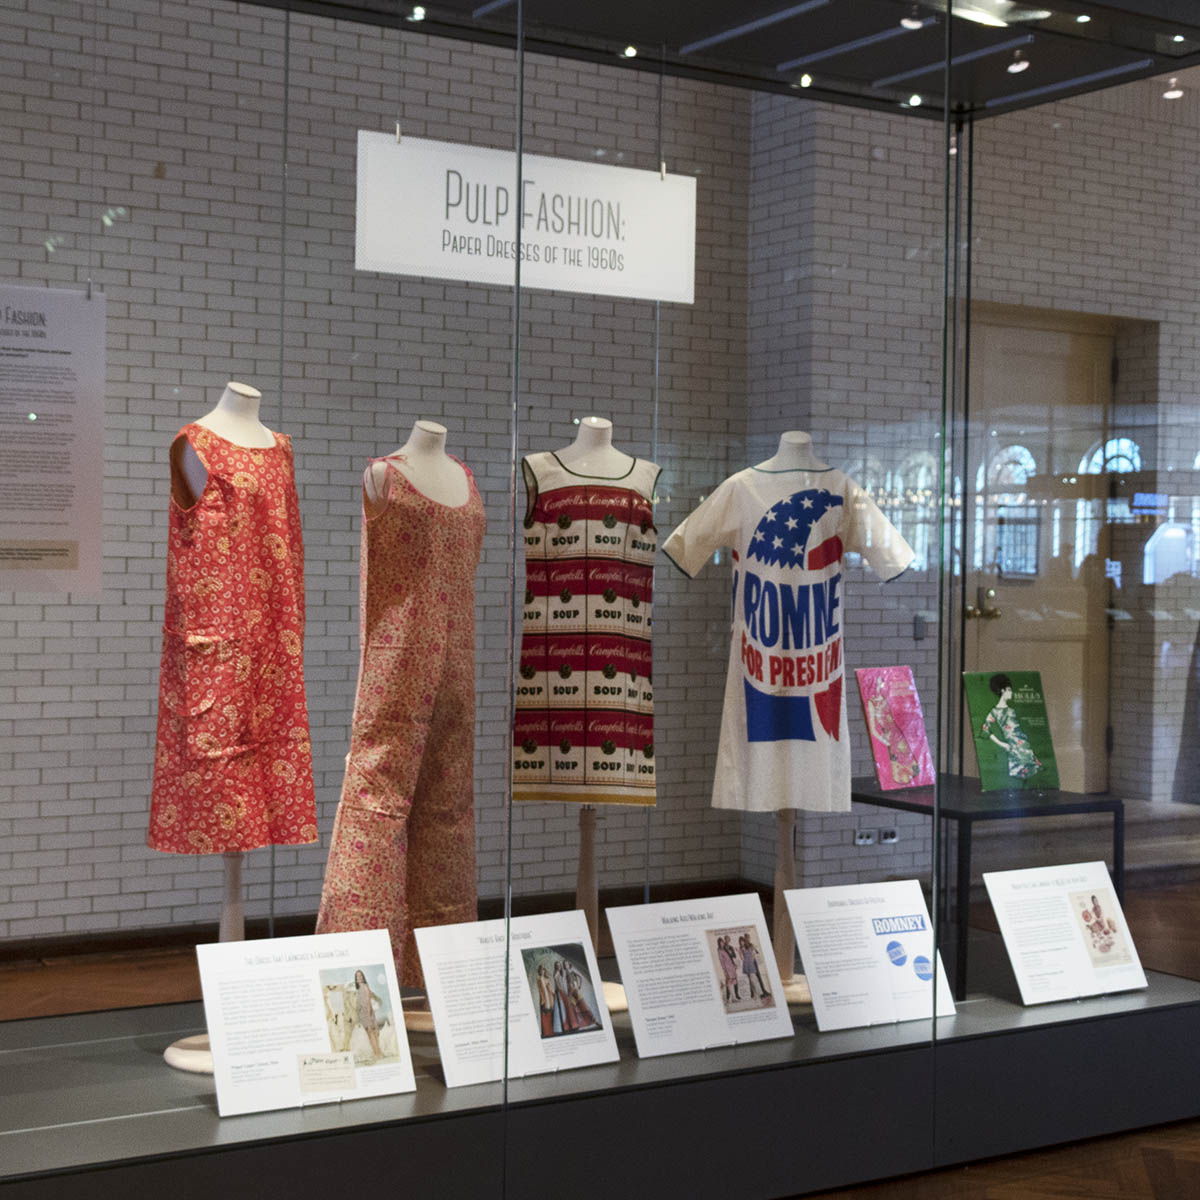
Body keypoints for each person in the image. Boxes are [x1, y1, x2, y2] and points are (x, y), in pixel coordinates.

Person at [981, 673, 1042, 780]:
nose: (1011, 693)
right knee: (1020, 776)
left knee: (1032, 775)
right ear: (1003, 690)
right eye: (1009, 690)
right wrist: (1003, 745)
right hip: (1013, 747)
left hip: (1024, 745)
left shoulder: (1012, 710)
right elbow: (985, 730)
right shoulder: (994, 712)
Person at [354, 969, 384, 1060]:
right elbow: (359, 1003)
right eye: (357, 976)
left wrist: (368, 1013)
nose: (359, 977)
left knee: (373, 1033)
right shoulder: (358, 989)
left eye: (360, 976)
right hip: (362, 1014)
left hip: (367, 1013)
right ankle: (376, 1053)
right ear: (355, 978)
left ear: (363, 977)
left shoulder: (365, 986)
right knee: (369, 1034)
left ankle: (378, 1053)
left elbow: (368, 1000)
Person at [740, 934, 770, 1001]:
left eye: (749, 938)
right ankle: (753, 993)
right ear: (745, 939)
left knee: (758, 976)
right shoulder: (743, 946)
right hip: (747, 963)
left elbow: (756, 953)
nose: (748, 939)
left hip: (754, 962)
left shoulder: (751, 944)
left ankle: (763, 990)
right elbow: (742, 956)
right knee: (750, 979)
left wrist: (755, 949)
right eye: (747, 938)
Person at [718, 935, 740, 1002]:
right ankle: (731, 998)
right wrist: (724, 970)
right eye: (721, 942)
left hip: (731, 966)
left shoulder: (726, 948)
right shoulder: (720, 950)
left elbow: (732, 957)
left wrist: (734, 964)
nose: (722, 943)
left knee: (733, 981)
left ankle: (733, 997)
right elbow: (721, 961)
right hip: (727, 968)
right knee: (729, 982)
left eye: (722, 942)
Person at [535, 963, 555, 1037]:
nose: (542, 971)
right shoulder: (539, 979)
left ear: (544, 971)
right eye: (541, 970)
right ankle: (546, 1032)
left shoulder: (546, 979)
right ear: (539, 971)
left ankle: (550, 1031)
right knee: (544, 1013)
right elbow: (542, 990)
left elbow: (549, 988)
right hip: (544, 997)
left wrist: (552, 994)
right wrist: (545, 999)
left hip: (549, 996)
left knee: (550, 1012)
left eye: (543, 970)